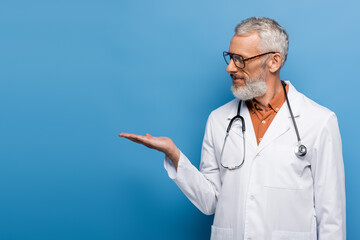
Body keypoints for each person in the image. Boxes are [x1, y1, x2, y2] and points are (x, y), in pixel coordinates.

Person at [119, 17, 346, 240]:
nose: (230, 67)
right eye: (230, 57)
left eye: (240, 59)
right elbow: (210, 202)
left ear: (274, 61)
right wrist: (174, 155)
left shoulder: (319, 121)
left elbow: (332, 216)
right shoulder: (219, 119)